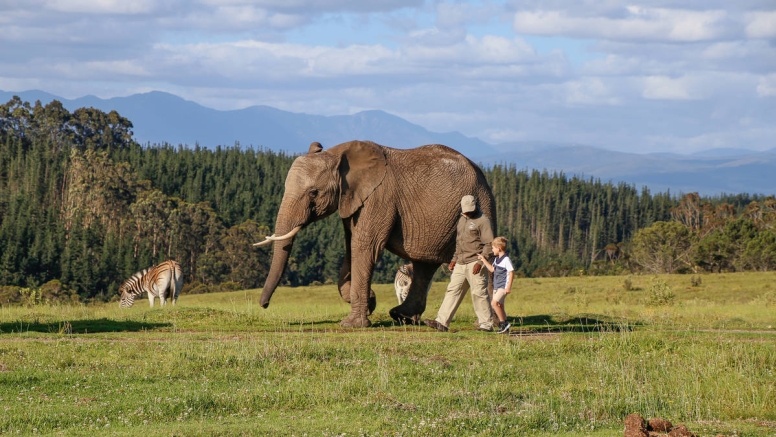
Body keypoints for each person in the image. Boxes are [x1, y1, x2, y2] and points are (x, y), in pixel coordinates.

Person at [424, 194, 495, 332]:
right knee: (453, 290)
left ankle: (486, 325)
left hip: (475, 261)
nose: (468, 212)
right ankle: (442, 322)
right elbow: (459, 242)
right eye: (465, 210)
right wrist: (454, 259)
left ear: (475, 206)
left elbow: (489, 244)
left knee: (478, 292)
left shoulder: (483, 221)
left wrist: (480, 263)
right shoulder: (462, 220)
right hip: (460, 262)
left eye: (470, 209)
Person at [477, 236, 514, 334]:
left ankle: (503, 323)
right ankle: (505, 328)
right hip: (496, 286)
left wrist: (508, 287)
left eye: (493, 248)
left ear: (499, 248)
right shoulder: (497, 259)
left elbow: (511, 272)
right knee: (500, 305)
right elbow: (492, 269)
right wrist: (483, 259)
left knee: (494, 303)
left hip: (503, 287)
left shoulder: (506, 260)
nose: (492, 250)